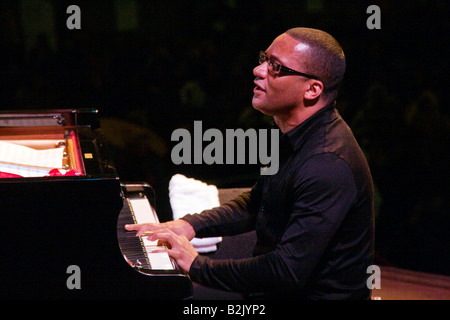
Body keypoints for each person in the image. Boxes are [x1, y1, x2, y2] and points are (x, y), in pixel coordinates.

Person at [126, 27, 375, 300]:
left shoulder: (327, 163)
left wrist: (197, 265)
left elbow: (286, 270)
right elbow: (256, 204)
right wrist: (190, 225)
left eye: (276, 67)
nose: (259, 70)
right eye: (264, 59)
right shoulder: (291, 134)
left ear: (313, 89)